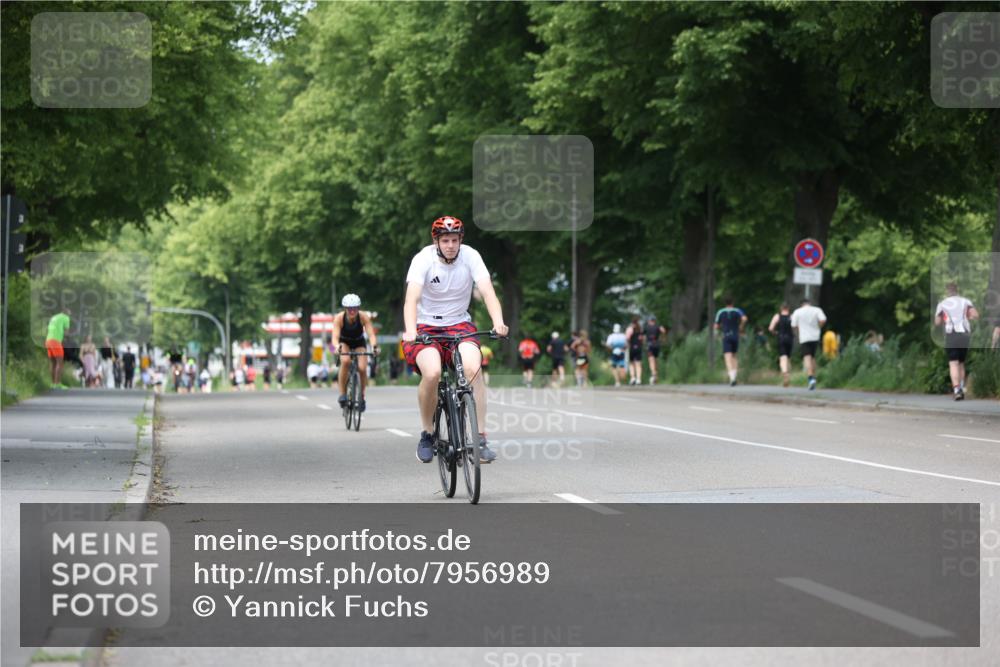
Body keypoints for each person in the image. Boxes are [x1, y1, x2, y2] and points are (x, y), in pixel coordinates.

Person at [401, 216, 508, 464]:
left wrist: (498, 322)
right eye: (445, 240)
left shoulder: (471, 256)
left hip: (459, 324)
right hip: (426, 326)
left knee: (473, 369)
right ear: (436, 242)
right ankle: (427, 434)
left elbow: (488, 292)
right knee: (432, 373)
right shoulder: (423, 259)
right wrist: (410, 330)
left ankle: (480, 439)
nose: (450, 245)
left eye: (454, 240)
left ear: (461, 240)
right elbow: (411, 300)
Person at [332, 294, 379, 411]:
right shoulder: (339, 318)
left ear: (358, 308)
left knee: (362, 368)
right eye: (349, 309)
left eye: (355, 308)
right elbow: (335, 337)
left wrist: (374, 347)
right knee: (345, 361)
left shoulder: (363, 317)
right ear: (345, 308)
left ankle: (361, 396)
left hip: (359, 342)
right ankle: (342, 394)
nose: (352, 311)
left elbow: (371, 335)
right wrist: (337, 347)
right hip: (344, 342)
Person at [934, 282, 979, 401]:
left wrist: (944, 319)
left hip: (951, 334)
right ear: (957, 290)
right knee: (961, 362)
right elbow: (975, 315)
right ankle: (962, 388)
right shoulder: (966, 301)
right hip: (965, 334)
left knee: (953, 362)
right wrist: (967, 317)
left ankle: (956, 390)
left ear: (947, 291)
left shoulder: (942, 304)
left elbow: (937, 322)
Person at [791, 298, 827, 391]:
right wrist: (818, 327)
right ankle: (814, 377)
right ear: (809, 303)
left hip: (804, 337)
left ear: (801, 304)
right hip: (815, 336)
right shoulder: (817, 310)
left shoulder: (797, 311)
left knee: (807, 357)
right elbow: (823, 319)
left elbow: (794, 325)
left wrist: (799, 332)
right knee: (813, 357)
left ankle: (811, 378)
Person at [714, 296, 747, 386]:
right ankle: (735, 376)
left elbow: (716, 326)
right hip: (735, 335)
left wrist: (717, 334)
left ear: (725, 303)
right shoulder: (737, 311)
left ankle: (732, 378)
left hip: (726, 336)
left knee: (727, 357)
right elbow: (744, 319)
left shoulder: (720, 312)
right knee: (734, 356)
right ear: (733, 302)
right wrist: (741, 327)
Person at [768, 303, 795, 387]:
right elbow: (795, 327)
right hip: (790, 338)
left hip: (781, 338)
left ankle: (785, 373)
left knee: (783, 358)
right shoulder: (792, 316)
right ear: (788, 308)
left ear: (781, 308)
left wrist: (775, 332)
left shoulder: (777, 316)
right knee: (788, 358)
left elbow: (770, 328)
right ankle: (788, 377)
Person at [45, 307, 71, 389]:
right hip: (56, 341)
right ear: (67, 312)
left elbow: (48, 329)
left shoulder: (54, 317)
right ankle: (57, 384)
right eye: (69, 313)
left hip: (48, 340)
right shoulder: (66, 318)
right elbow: (66, 333)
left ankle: (53, 383)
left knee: (53, 363)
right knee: (60, 363)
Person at [644, 316, 667, 385]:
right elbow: (663, 330)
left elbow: (643, 336)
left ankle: (653, 374)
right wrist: (663, 338)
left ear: (649, 321)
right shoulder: (658, 326)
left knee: (651, 360)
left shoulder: (646, 327)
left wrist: (644, 343)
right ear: (654, 321)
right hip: (657, 344)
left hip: (650, 345)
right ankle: (655, 377)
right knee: (655, 360)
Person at [625, 317, 643, 385]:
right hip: (639, 348)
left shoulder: (630, 329)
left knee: (631, 363)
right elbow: (642, 339)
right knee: (638, 364)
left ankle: (633, 378)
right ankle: (638, 379)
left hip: (632, 348)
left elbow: (627, 338)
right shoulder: (640, 330)